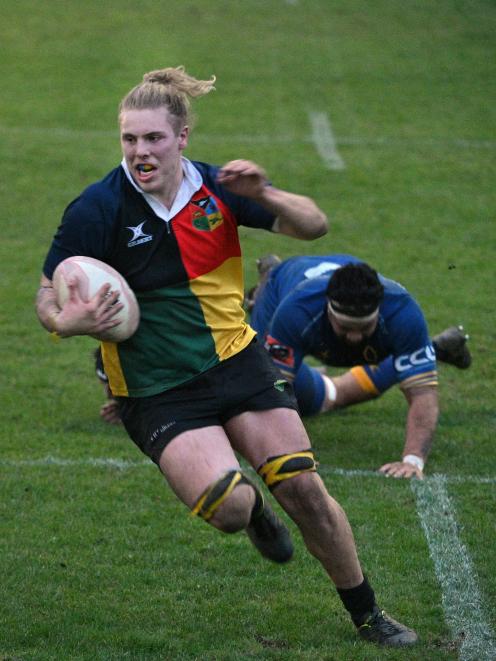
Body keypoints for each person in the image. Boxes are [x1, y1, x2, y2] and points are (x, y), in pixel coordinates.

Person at [36, 66, 418, 647]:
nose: (141, 151)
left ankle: (367, 613)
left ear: (182, 136)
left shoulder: (219, 189)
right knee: (231, 510)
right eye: (130, 139)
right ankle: (254, 511)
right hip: (156, 389)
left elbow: (314, 226)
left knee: (305, 490)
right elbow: (46, 296)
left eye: (154, 138)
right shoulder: (97, 209)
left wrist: (263, 193)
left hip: (237, 363)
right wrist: (70, 321)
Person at [248, 253, 472, 479]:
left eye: (365, 328)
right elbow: (275, 388)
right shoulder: (296, 312)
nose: (355, 337)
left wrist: (412, 460)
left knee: (327, 395)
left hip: (337, 287)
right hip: (280, 290)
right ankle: (267, 278)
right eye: (345, 327)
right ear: (328, 311)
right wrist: (286, 448)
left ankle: (429, 350)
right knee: (259, 377)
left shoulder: (403, 313)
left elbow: (423, 392)